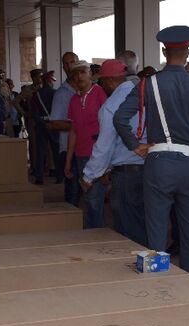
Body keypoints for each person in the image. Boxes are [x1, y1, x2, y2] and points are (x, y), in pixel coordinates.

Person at [114, 25, 189, 276]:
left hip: (159, 162)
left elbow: (120, 118)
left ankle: (156, 281)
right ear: (188, 51)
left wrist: (134, 146)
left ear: (163, 51)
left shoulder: (149, 84)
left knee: (156, 228)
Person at [81, 59, 147, 246]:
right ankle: (151, 264)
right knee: (145, 221)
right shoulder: (143, 96)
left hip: (127, 174)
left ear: (109, 81)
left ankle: (137, 267)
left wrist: (89, 175)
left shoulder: (111, 105)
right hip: (152, 168)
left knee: (128, 228)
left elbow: (105, 145)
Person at [65, 61, 108, 223]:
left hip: (97, 155)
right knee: (88, 199)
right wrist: (68, 161)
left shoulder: (99, 94)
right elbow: (73, 131)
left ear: (90, 73)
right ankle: (94, 232)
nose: (79, 76)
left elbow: (107, 126)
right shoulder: (74, 99)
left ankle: (97, 234)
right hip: (81, 155)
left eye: (82, 72)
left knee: (95, 199)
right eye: (75, 74)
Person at [47, 51, 80, 192]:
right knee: (72, 192)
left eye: (72, 62)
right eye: (65, 63)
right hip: (68, 149)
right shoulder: (61, 94)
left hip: (89, 148)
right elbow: (54, 123)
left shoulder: (90, 90)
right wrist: (80, 127)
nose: (69, 66)